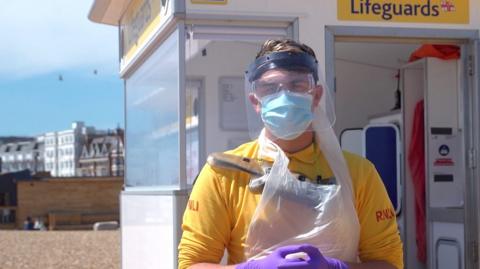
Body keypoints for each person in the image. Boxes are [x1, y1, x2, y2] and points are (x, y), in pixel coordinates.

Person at [178, 39, 403, 269]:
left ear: (316, 96)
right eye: (270, 88)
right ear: (256, 101)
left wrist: (336, 267)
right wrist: (252, 268)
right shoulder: (224, 173)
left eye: (297, 85)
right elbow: (191, 264)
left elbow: (389, 263)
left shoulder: (358, 174)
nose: (284, 96)